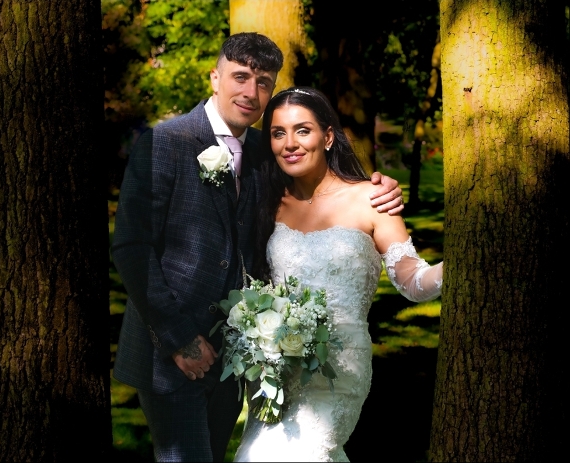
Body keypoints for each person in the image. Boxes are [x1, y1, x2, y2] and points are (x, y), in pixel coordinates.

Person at [111, 33, 404, 463]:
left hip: (237, 359)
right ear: (215, 78)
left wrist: (376, 189)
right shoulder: (166, 143)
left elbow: (317, 194)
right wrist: (179, 340)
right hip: (170, 353)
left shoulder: (266, 153)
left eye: (264, 82)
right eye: (241, 76)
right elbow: (131, 247)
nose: (251, 92)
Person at [233, 86, 444, 462]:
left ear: (327, 137)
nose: (290, 143)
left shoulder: (372, 198)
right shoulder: (270, 203)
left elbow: (411, 280)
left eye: (302, 130)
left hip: (339, 370)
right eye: (278, 133)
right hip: (276, 372)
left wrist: (456, 266)